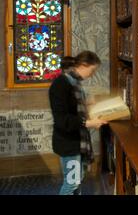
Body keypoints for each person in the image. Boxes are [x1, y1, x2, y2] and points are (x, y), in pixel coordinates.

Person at [49, 51, 108, 195]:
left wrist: (88, 103)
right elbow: (62, 120)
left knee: (77, 180)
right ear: (83, 65)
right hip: (69, 144)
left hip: (76, 141)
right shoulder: (61, 84)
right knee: (71, 184)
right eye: (92, 70)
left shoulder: (73, 82)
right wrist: (89, 123)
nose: (92, 74)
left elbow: (73, 107)